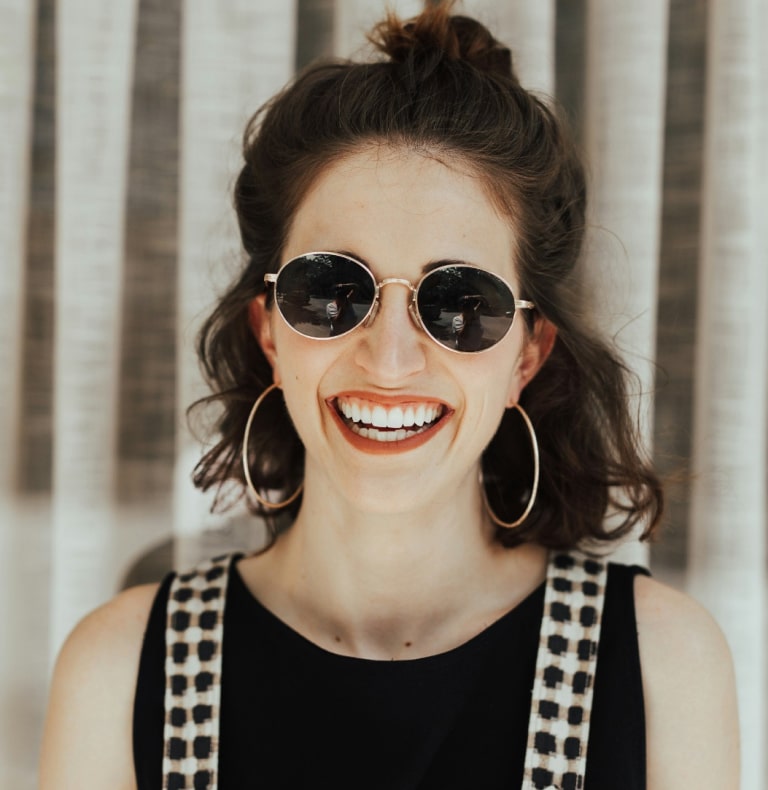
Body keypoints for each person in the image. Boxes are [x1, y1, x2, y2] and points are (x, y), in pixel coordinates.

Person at [39, 2, 739, 788]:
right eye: (331, 291)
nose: (391, 359)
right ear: (269, 331)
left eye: (461, 303)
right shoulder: (117, 671)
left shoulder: (663, 666)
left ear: (527, 353)